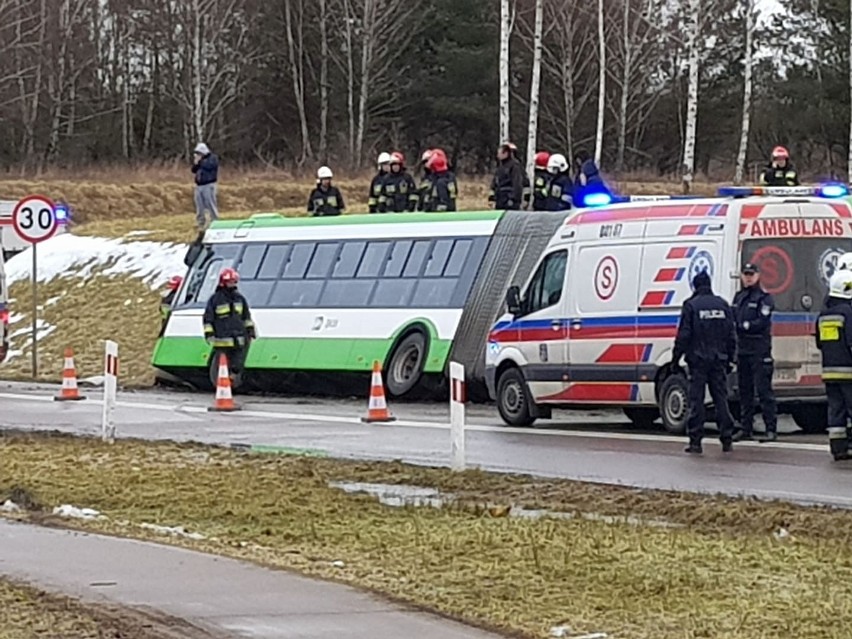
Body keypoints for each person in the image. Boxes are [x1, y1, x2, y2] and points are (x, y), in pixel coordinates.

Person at [671, 270, 737, 454]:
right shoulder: (723, 305)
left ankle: (696, 441)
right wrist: (731, 358)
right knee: (720, 399)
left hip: (698, 361)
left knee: (696, 400)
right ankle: (726, 438)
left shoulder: (691, 306)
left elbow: (684, 335)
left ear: (695, 285)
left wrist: (675, 359)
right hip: (719, 361)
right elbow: (731, 335)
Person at [732, 263, 777, 443]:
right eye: (746, 274)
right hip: (743, 350)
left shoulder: (764, 298)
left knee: (764, 391)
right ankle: (746, 428)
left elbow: (762, 321)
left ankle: (771, 429)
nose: (748, 277)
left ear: (758, 275)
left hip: (759, 350)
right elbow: (733, 319)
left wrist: (745, 326)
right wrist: (741, 327)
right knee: (745, 391)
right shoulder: (739, 297)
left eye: (751, 274)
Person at [815, 269, 852, 460]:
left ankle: (838, 449)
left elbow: (819, 343)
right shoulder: (848, 313)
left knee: (836, 411)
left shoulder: (823, 315)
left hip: (829, 372)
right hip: (849, 372)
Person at [203, 267, 256, 382]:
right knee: (222, 363)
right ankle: (222, 384)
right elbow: (208, 318)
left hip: (239, 338)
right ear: (223, 282)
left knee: (238, 361)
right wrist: (209, 334)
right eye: (230, 282)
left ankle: (232, 378)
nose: (233, 284)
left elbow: (246, 316)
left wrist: (250, 330)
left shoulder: (240, 298)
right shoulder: (215, 300)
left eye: (234, 281)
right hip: (222, 339)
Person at [191, 142, 219, 231]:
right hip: (199, 186)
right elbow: (193, 170)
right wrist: (196, 163)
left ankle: (215, 222)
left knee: (210, 204)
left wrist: (200, 162)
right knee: (199, 206)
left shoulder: (212, 158)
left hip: (209, 185)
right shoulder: (200, 161)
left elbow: (210, 167)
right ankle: (201, 223)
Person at [489, 141, 524, 210]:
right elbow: (495, 183)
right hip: (500, 200)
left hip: (509, 201)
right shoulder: (501, 167)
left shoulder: (514, 166)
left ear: (506, 153)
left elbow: (517, 184)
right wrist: (492, 198)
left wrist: (514, 199)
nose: (497, 156)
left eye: (499, 153)